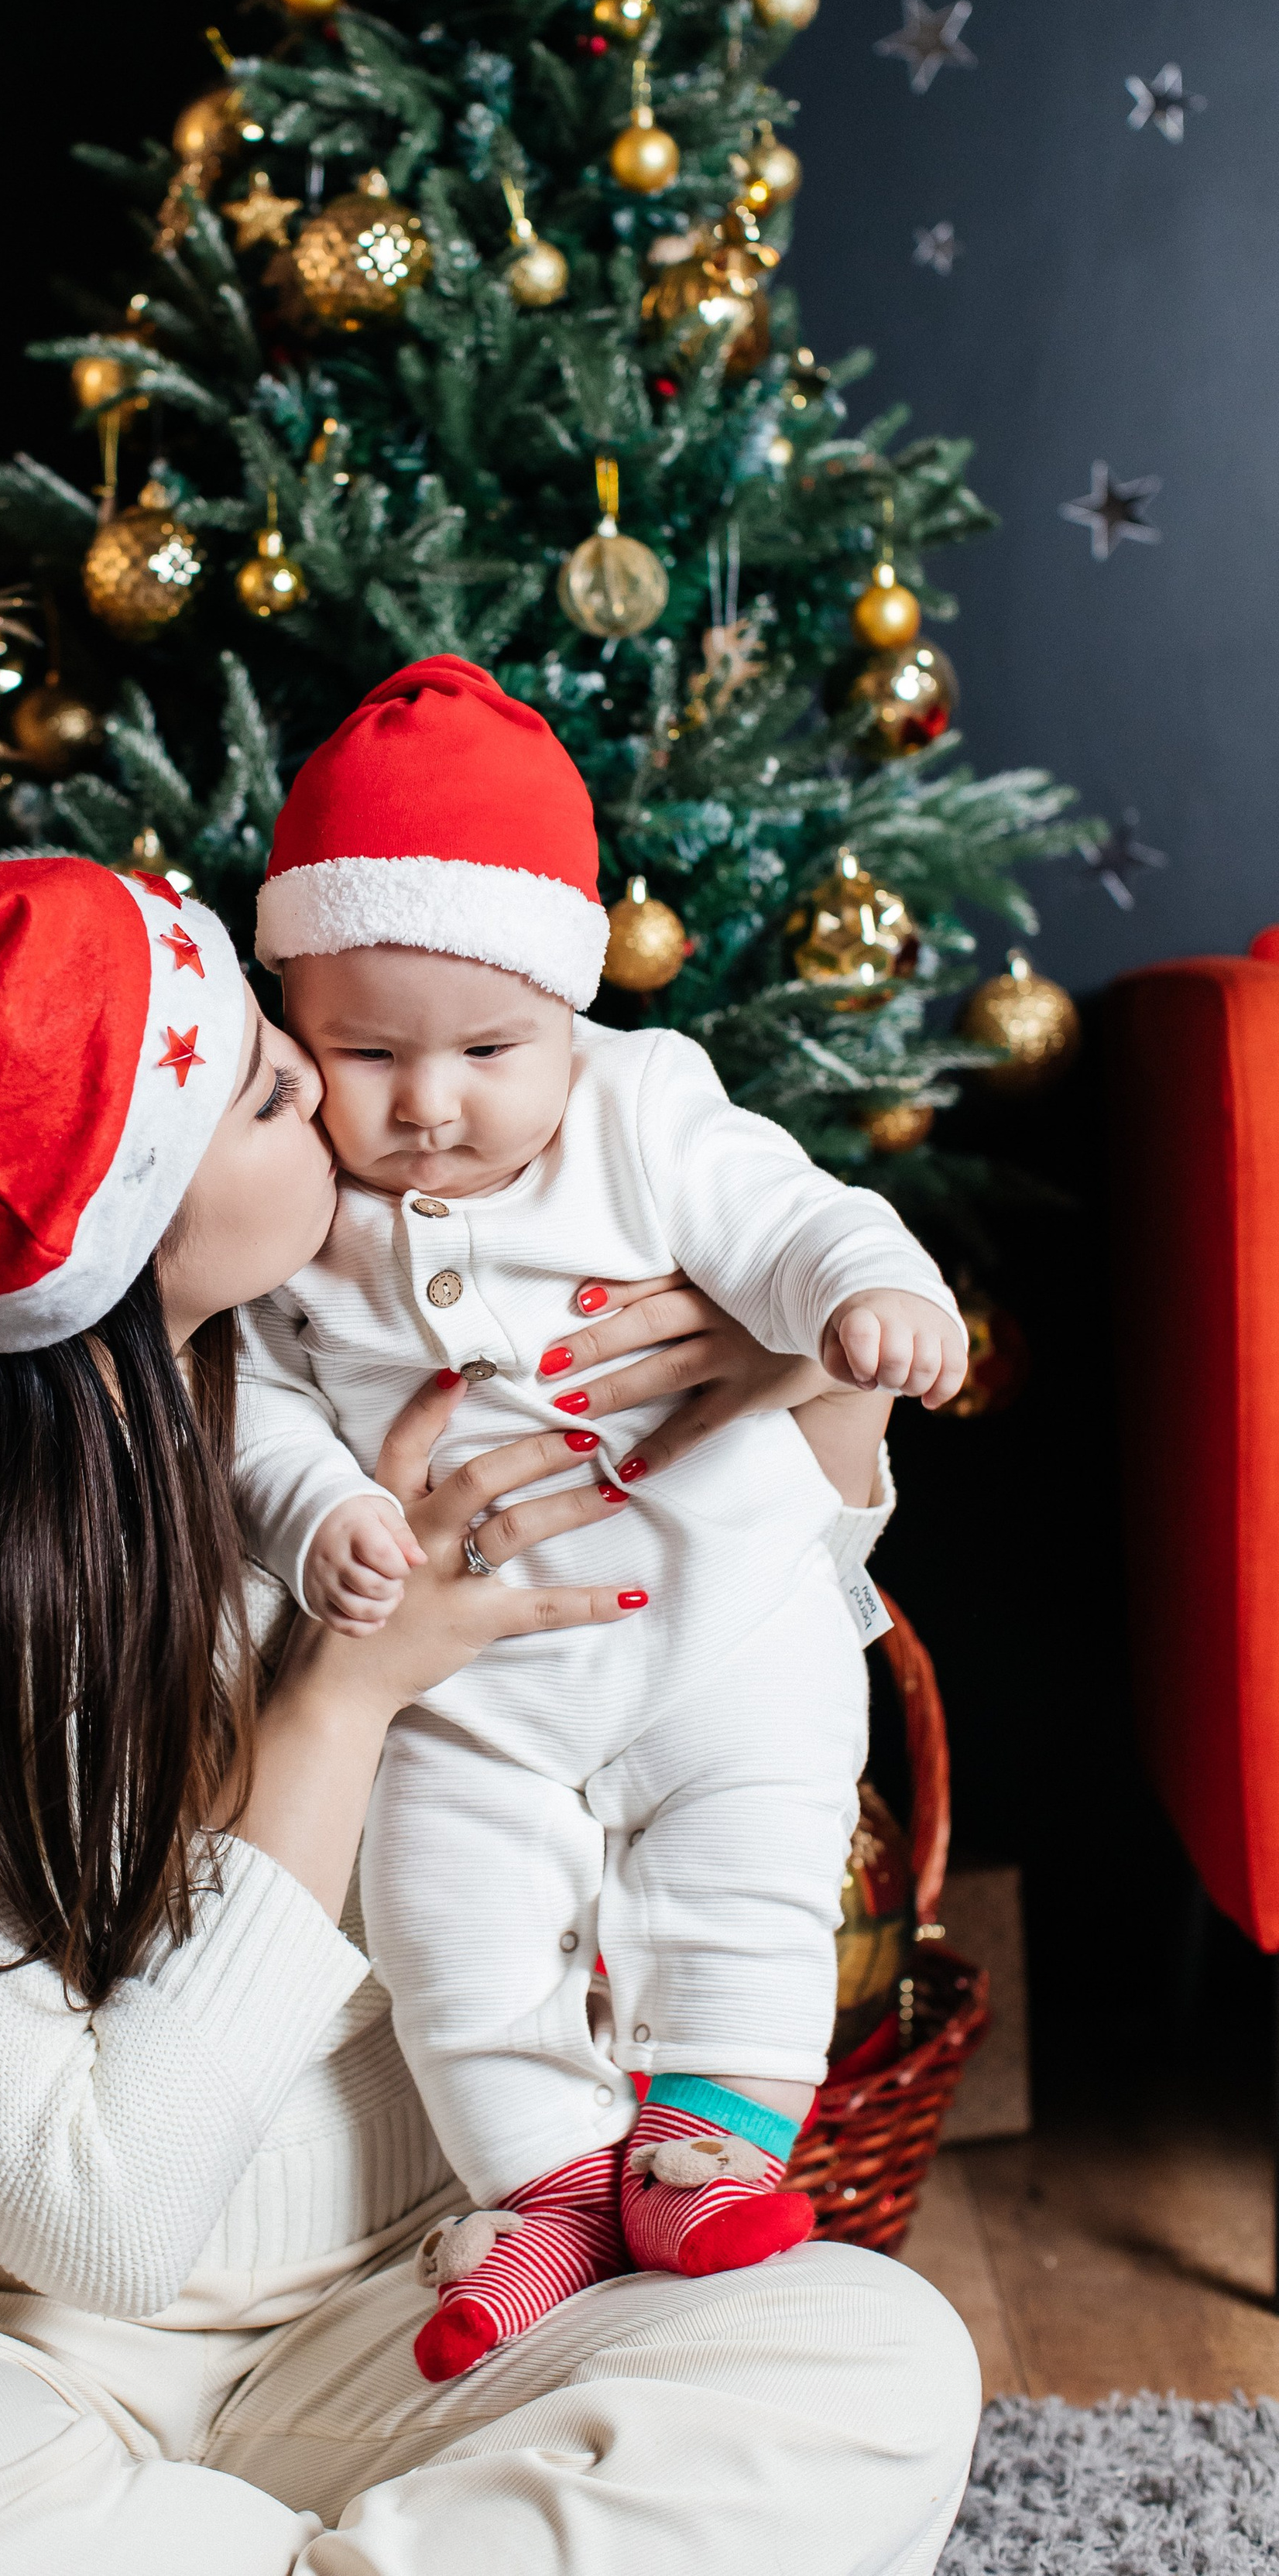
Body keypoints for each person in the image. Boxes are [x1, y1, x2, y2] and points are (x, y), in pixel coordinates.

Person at [0, 852, 980, 2576]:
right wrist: (346, 1694)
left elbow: (704, 1639)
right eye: (267, 1090)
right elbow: (101, 2227)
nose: (330, 1078)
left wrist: (804, 1371)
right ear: (127, 1223)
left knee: (873, 2364)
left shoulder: (392, 1355)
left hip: (414, 2299)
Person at [239, 659, 969, 2376]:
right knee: (443, 1909)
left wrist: (864, 1299)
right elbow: (253, 1405)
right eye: (366, 1054)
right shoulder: (300, 1202)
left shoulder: (641, 1109)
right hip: (472, 1683)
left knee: (755, 1868)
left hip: (722, 1619)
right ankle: (548, 2188)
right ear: (297, 1027)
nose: (428, 1104)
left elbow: (793, 1214)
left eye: (489, 1051)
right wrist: (316, 1508)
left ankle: (709, 2148)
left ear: (568, 1013)